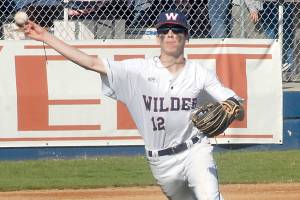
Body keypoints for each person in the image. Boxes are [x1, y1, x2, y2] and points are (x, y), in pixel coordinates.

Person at [23, 10, 244, 200]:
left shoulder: (200, 74)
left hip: (196, 150)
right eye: (165, 31)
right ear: (157, 38)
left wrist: (235, 110)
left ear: (186, 37)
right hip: (161, 162)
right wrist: (46, 37)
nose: (170, 35)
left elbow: (235, 105)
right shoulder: (137, 71)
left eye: (176, 31)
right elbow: (90, 63)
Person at [246, 0, 296, 72]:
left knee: (287, 40)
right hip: (267, 4)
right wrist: (252, 7)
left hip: (287, 3)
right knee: (271, 40)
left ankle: (289, 71)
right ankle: (274, 70)